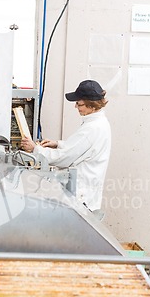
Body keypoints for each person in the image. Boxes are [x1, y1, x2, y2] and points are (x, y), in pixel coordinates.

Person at [20, 80, 111, 212]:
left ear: (92, 105)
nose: (76, 107)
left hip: (81, 195)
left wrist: (35, 149)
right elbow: (80, 149)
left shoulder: (92, 128)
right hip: (87, 192)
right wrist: (57, 144)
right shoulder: (100, 122)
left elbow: (65, 158)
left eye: (79, 104)